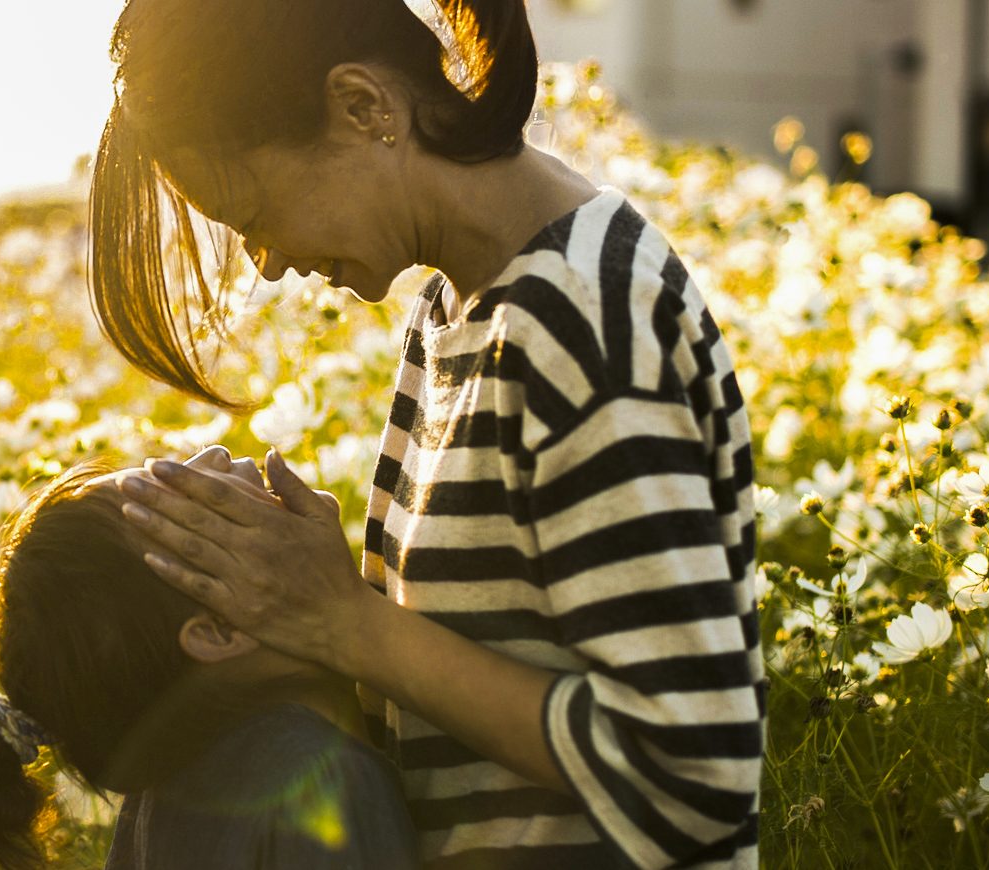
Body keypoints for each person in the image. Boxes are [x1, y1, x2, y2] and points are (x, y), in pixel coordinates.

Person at [89, 0, 764, 867]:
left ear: (364, 106)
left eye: (253, 216)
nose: (267, 263)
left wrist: (345, 624)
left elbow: (694, 774)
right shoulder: (456, 306)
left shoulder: (583, 324)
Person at [0, 460, 420, 870]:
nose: (214, 456)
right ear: (217, 631)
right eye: (179, 497)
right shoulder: (325, 787)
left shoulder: (157, 797)